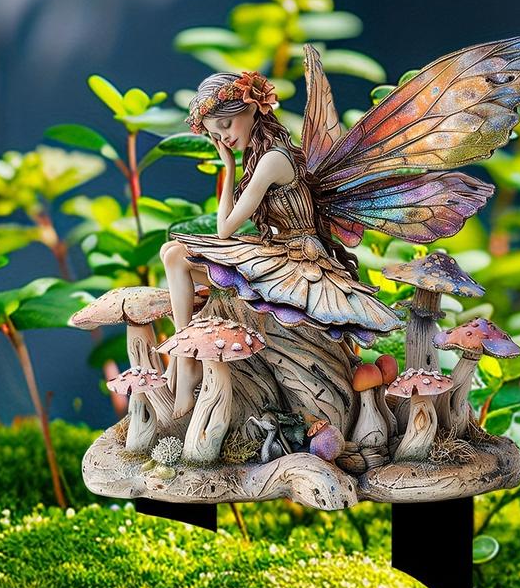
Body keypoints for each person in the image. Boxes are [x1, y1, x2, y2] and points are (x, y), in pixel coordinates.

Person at [160, 69, 402, 417]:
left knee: (176, 258)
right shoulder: (260, 155)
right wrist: (231, 162)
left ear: (252, 109)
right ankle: (185, 359)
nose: (225, 139)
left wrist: (228, 169)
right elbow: (227, 226)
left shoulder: (273, 159)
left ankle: (184, 363)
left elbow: (225, 228)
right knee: (171, 252)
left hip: (299, 256)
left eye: (227, 126)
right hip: (279, 249)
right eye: (216, 134)